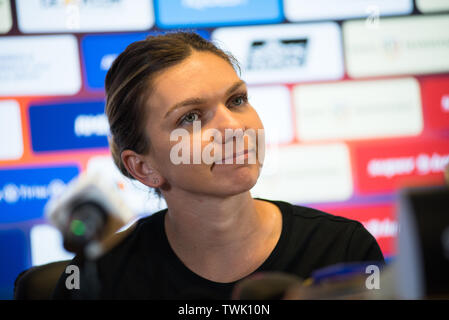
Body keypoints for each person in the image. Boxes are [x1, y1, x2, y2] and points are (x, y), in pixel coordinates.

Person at [52, 32, 384, 299]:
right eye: (191, 117)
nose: (234, 128)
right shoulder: (97, 278)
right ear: (143, 168)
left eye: (236, 100)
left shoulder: (344, 248)